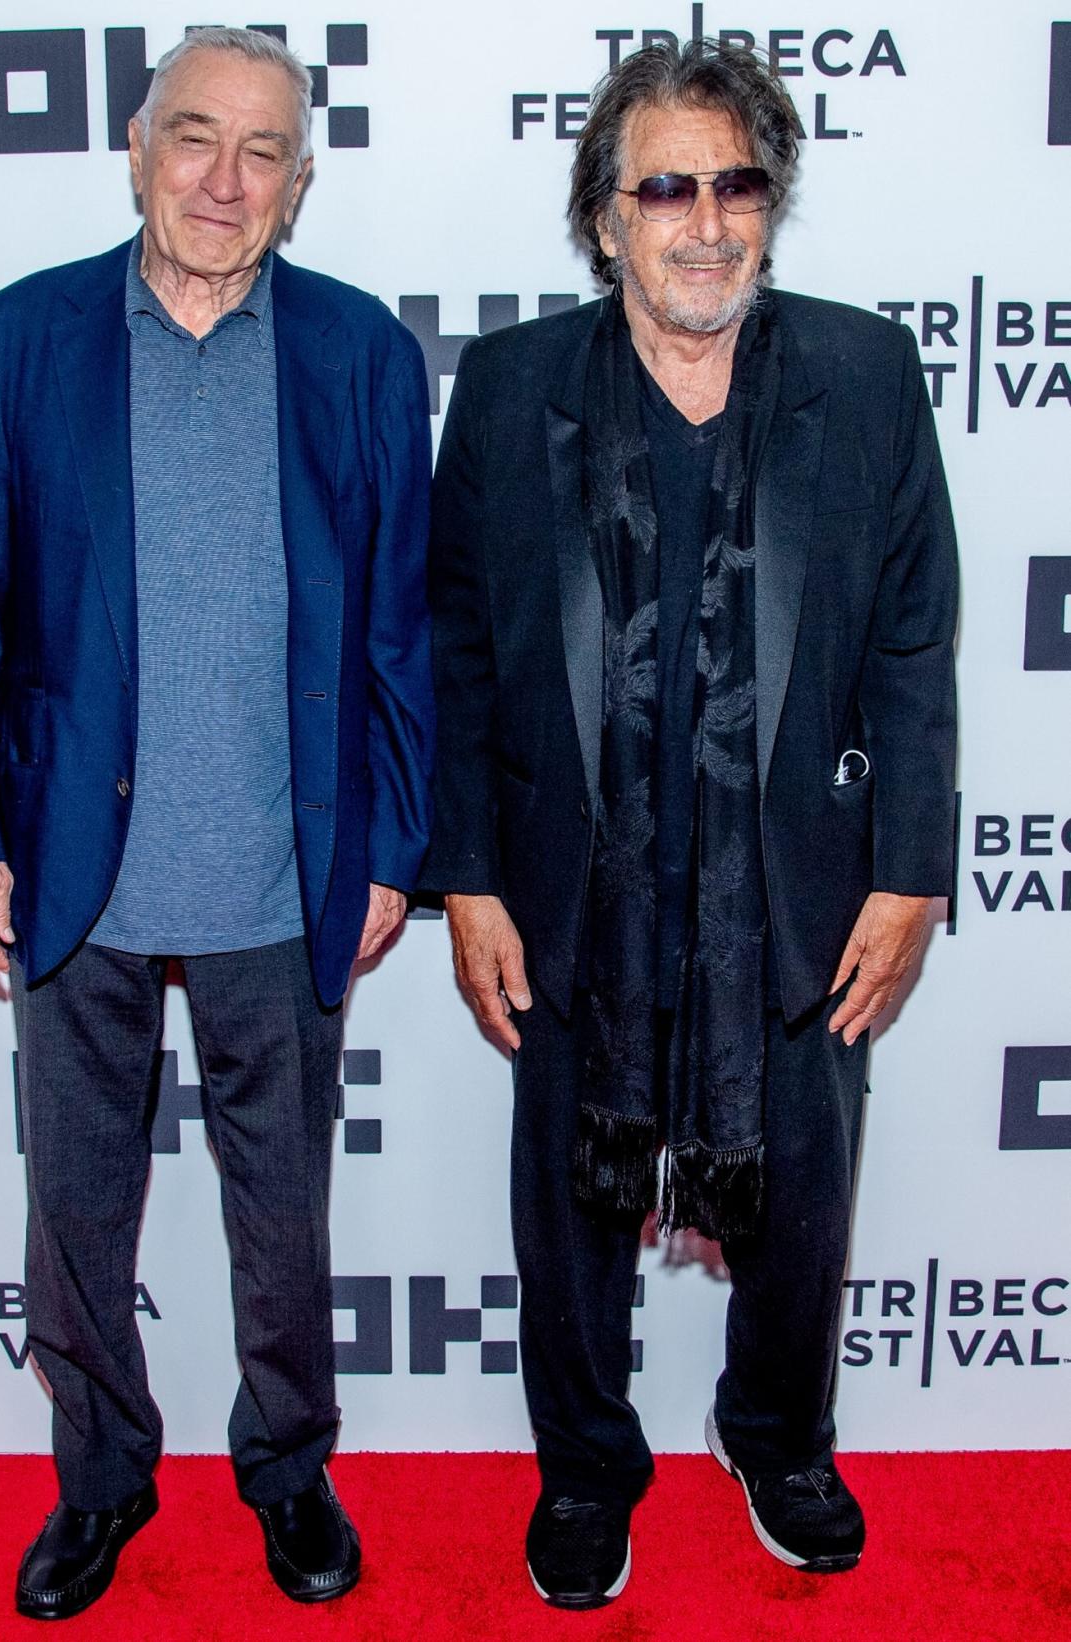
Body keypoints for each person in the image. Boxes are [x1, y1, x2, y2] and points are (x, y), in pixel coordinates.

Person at [0, 25, 432, 1621]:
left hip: (287, 874)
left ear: (300, 179)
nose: (222, 178)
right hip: (71, 866)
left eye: (261, 149)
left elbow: (401, 630)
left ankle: (287, 1464)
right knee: (75, 1211)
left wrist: (396, 846)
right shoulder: (26, 336)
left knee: (283, 1215)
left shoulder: (358, 353)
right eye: (194, 137)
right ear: (135, 148)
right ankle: (102, 1476)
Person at [422, 38, 956, 1607]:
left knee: (801, 1190)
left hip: (794, 887)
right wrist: (464, 873)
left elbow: (914, 635)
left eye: (736, 182)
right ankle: (587, 1467)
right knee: (569, 1215)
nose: (704, 219)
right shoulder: (517, 387)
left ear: (770, 205)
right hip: (568, 882)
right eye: (666, 184)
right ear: (605, 217)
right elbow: (456, 642)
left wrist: (913, 863)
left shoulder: (858, 376)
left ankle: (775, 1432)